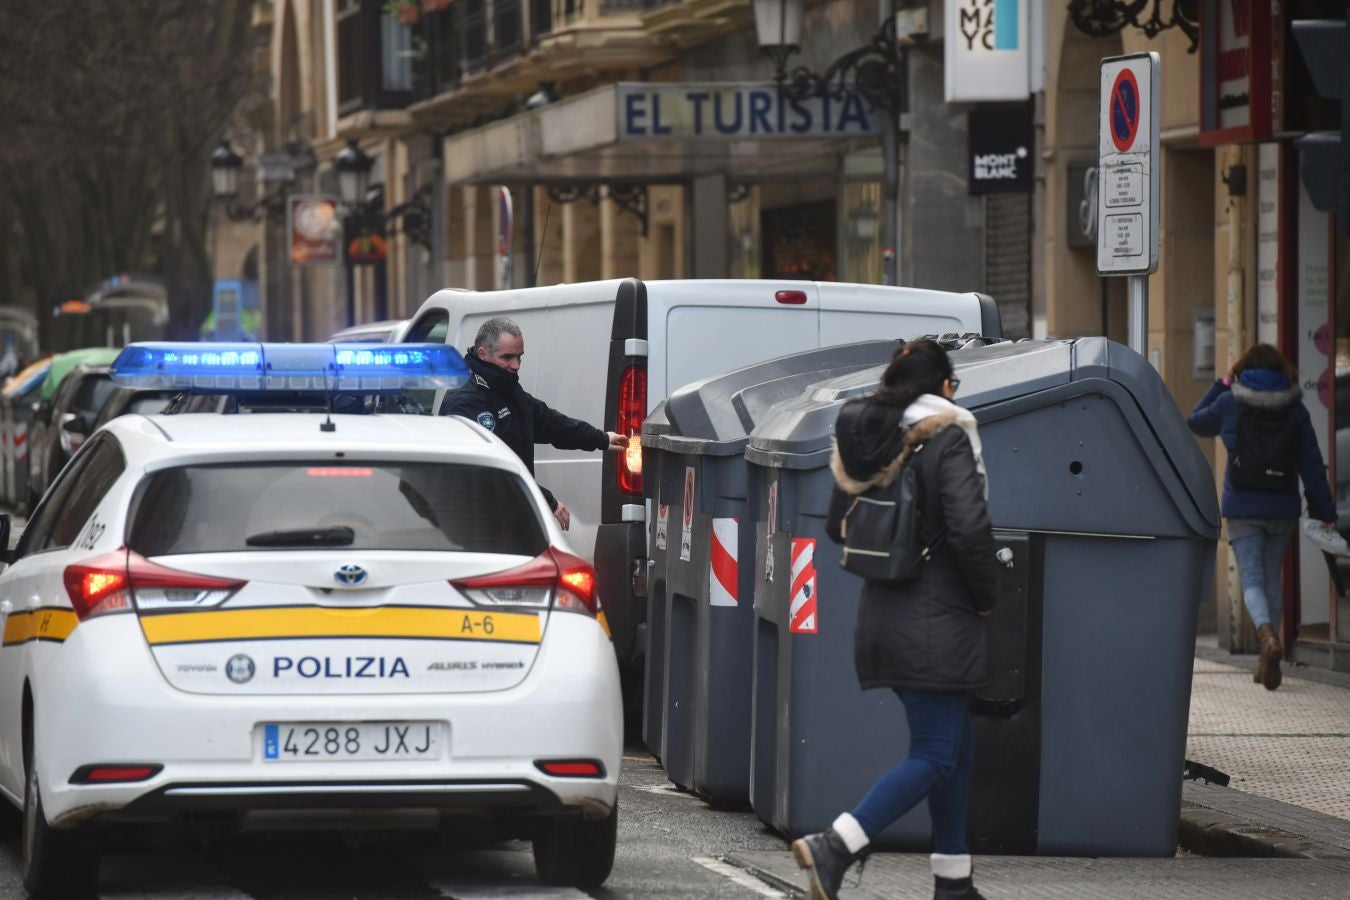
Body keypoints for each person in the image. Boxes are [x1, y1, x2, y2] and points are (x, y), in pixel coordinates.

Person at [793, 339, 1000, 900]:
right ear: (946, 388)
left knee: (955, 748)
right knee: (935, 753)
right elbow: (968, 527)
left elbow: (839, 526)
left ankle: (953, 882)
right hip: (939, 616)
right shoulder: (949, 435)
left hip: (884, 612)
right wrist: (986, 594)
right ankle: (837, 843)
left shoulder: (869, 439)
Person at [1187, 343, 1338, 691]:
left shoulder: (1230, 402)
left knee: (1252, 578)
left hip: (1242, 506)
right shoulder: (1295, 408)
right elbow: (1313, 465)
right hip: (1282, 506)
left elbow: (1195, 421)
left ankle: (1266, 638)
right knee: (1272, 577)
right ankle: (1266, 656)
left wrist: (1223, 383)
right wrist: (1326, 511)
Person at [439, 316, 626, 530]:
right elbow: (493, 470)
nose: (516, 365)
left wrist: (601, 438)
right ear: (483, 353)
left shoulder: (505, 388)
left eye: (520, 357)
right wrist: (548, 501)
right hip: (475, 526)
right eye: (507, 357)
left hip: (511, 517)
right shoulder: (466, 400)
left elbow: (551, 423)